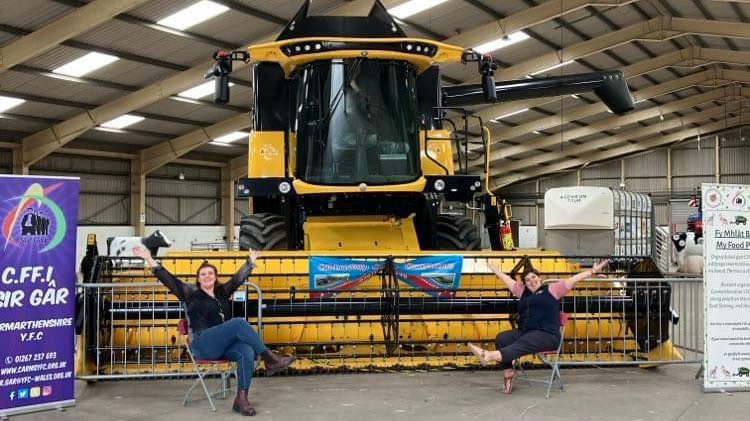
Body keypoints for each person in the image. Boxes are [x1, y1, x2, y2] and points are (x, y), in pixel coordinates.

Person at [132, 246, 295, 416]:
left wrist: (251, 262)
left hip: (222, 346)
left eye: (210, 273)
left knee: (246, 350)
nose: (207, 276)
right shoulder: (189, 293)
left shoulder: (222, 292)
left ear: (216, 277)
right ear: (198, 279)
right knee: (238, 323)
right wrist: (149, 259)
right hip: (202, 344)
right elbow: (168, 279)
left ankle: (241, 399)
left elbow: (237, 279)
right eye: (203, 274)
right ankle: (269, 358)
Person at [468, 259, 609, 394]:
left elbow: (573, 279)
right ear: (525, 284)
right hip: (526, 332)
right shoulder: (522, 292)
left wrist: (592, 271)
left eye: (533, 277)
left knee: (522, 342)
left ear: (539, 278)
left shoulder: (553, 289)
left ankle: (488, 355)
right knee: (502, 338)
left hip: (547, 335)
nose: (531, 281)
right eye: (527, 280)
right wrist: (495, 270)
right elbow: (507, 280)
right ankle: (508, 372)